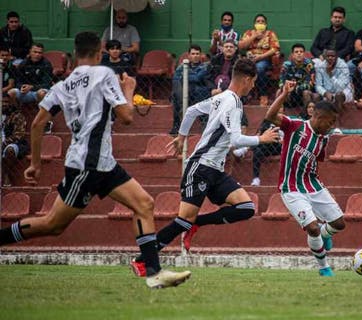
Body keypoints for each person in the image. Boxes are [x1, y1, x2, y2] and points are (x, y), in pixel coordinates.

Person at [0, 31, 191, 289]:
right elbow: (126, 116)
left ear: (75, 53)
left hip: (100, 163)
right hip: (88, 165)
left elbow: (37, 123)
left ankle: (153, 272)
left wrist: (35, 163)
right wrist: (128, 89)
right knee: (53, 225)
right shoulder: (104, 75)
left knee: (144, 204)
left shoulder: (62, 85)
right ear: (100, 51)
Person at [130, 58, 281, 277]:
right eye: (254, 81)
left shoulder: (220, 98)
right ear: (247, 79)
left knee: (246, 208)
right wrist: (262, 139)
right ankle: (142, 260)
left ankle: (196, 223)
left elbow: (191, 111)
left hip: (215, 171)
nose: (254, 86)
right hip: (200, 167)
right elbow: (236, 140)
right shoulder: (233, 103)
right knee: (182, 220)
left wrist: (182, 137)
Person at [265, 85, 345, 277]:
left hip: (313, 185)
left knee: (339, 223)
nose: (332, 126)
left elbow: (315, 161)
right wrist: (283, 94)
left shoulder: (323, 139)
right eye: (331, 121)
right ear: (318, 116)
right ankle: (324, 267)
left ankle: (325, 235)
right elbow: (270, 116)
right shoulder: (296, 126)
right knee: (312, 228)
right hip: (291, 188)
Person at [239, 13, 280, 107]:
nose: (260, 23)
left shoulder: (270, 34)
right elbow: (241, 46)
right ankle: (245, 94)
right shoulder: (248, 33)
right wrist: (253, 36)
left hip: (264, 59)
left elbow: (275, 48)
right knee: (241, 69)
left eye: (262, 22)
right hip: (249, 59)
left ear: (266, 24)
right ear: (254, 24)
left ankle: (263, 95)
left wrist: (260, 57)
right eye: (258, 21)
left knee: (259, 68)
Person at [170, 44, 210, 135]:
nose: (195, 56)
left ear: (200, 55)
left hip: (198, 92)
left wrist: (184, 76)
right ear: (189, 55)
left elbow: (197, 78)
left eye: (197, 54)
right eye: (193, 54)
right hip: (184, 93)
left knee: (200, 92)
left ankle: (204, 125)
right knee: (176, 94)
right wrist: (186, 76)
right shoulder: (183, 65)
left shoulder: (204, 66)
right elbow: (176, 78)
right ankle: (176, 126)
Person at [278, 43, 318, 111]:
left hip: (302, 94)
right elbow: (281, 81)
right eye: (296, 52)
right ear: (293, 54)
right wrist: (286, 88)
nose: (299, 53)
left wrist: (295, 88)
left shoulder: (309, 65)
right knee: (279, 91)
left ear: (304, 54)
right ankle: (278, 115)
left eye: (301, 52)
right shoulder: (286, 65)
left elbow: (311, 84)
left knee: (306, 92)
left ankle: (306, 116)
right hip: (290, 94)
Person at [314, 48, 353, 113]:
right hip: (327, 93)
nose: (330, 58)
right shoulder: (321, 66)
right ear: (325, 57)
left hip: (343, 93)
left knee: (338, 95)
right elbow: (318, 85)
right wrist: (325, 93)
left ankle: (337, 118)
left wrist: (331, 75)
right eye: (328, 56)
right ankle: (319, 119)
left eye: (332, 56)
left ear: (337, 57)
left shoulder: (343, 66)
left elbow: (341, 87)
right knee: (316, 96)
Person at [2, 102, 28, 186]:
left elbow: (18, 135)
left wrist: (3, 143)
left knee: (10, 150)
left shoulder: (17, 116)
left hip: (13, 143)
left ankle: (6, 176)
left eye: (6, 101)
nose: (3, 104)